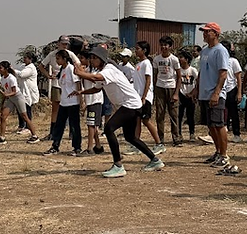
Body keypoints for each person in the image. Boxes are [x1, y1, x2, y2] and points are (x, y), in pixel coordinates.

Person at [73, 47, 165, 177]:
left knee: (109, 129)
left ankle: (118, 165)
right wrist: (81, 92)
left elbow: (96, 77)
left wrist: (80, 73)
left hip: (130, 105)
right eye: (91, 58)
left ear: (101, 59)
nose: (91, 61)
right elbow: (96, 88)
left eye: (94, 58)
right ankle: (155, 160)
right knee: (130, 137)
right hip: (132, 105)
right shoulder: (104, 72)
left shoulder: (109, 69)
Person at [198, 22, 238, 174]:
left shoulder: (221, 51)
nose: (205, 34)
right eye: (204, 32)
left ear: (216, 33)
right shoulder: (205, 51)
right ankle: (217, 151)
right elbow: (202, 71)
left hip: (216, 93)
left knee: (219, 124)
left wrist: (217, 92)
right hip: (204, 93)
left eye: (208, 32)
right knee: (211, 125)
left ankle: (224, 154)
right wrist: (197, 88)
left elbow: (223, 73)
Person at [44, 50, 82, 156]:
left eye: (58, 58)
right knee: (59, 125)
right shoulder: (62, 69)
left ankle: (77, 147)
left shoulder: (70, 69)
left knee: (74, 126)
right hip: (64, 102)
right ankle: (55, 145)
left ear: (64, 59)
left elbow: (78, 83)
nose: (57, 61)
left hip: (73, 102)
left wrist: (80, 99)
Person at [0, 62, 39, 145]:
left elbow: (14, 92)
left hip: (17, 97)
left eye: (1, 68)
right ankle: (2, 138)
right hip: (10, 98)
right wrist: (2, 104)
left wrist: (6, 95)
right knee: (3, 116)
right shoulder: (3, 78)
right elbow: (6, 92)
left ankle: (35, 136)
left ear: (6, 69)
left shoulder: (11, 78)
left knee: (25, 116)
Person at [133, 41, 163, 152]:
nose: (136, 51)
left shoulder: (146, 63)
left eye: (138, 49)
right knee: (137, 120)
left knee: (146, 120)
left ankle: (159, 143)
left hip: (145, 98)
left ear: (144, 50)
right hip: (137, 98)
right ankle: (136, 143)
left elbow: (148, 80)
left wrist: (144, 96)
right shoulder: (138, 64)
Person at [153, 37, 183, 147]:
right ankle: (160, 139)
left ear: (170, 47)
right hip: (160, 87)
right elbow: (155, 75)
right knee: (159, 115)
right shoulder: (156, 59)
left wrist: (176, 93)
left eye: (166, 45)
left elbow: (179, 77)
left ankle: (176, 138)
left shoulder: (174, 60)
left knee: (173, 114)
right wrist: (155, 90)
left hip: (171, 87)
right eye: (162, 45)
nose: (163, 47)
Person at [222, 40, 244, 143]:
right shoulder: (219, 60)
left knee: (233, 112)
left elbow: (238, 77)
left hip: (231, 89)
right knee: (220, 112)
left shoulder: (233, 61)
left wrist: (239, 92)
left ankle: (237, 133)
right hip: (221, 89)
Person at [15, 52, 39, 134]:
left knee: (27, 109)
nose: (24, 59)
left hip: (29, 92)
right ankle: (21, 125)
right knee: (20, 108)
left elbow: (21, 74)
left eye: (26, 58)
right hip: (22, 90)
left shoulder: (31, 68)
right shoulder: (23, 66)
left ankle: (28, 127)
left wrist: (12, 70)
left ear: (30, 59)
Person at [178, 51, 198, 141]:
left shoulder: (192, 70)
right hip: (181, 94)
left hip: (190, 95)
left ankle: (192, 133)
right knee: (179, 115)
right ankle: (178, 133)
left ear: (186, 60)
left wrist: (193, 93)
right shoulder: (178, 70)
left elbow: (198, 82)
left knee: (190, 115)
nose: (180, 59)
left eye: (181, 57)